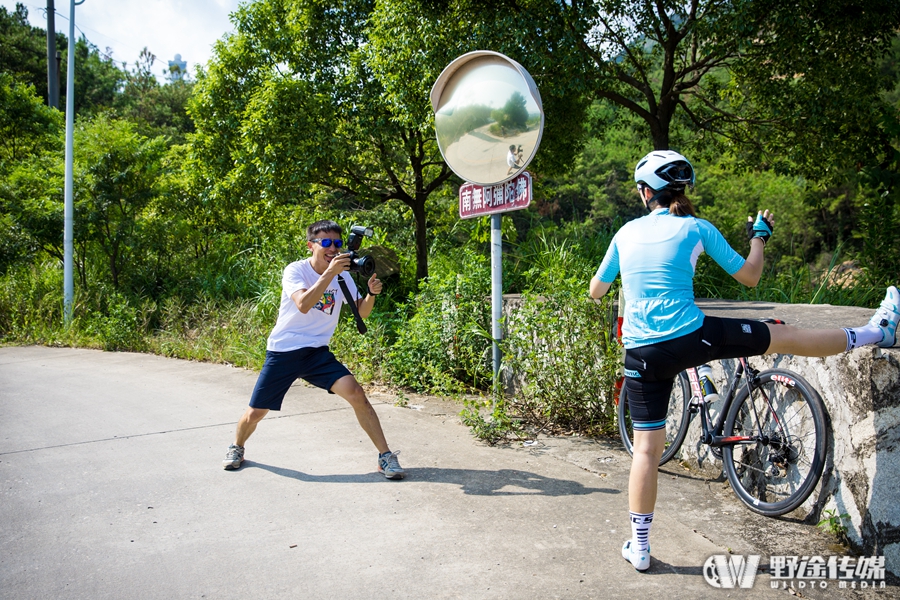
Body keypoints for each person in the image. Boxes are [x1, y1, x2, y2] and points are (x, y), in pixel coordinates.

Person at [589, 150, 899, 571]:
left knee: (645, 451)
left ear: (645, 192)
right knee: (786, 335)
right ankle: (877, 332)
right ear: (680, 189)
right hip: (693, 337)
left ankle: (640, 548)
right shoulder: (697, 228)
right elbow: (750, 276)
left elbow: (597, 291)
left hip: (642, 352)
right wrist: (759, 236)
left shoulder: (625, 233)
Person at [223, 220, 405, 479]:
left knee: (357, 394)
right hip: (284, 350)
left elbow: (361, 312)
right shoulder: (296, 270)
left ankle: (385, 456)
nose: (333, 248)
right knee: (255, 413)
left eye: (337, 243)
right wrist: (330, 273)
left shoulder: (343, 275)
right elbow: (303, 304)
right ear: (311, 245)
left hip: (317, 352)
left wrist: (371, 294)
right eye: (326, 242)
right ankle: (237, 447)